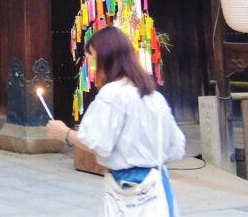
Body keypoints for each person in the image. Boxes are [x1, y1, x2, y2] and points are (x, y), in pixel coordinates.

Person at [47, 26, 186, 216]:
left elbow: (96, 142)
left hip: (126, 185)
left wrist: (65, 132)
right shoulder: (154, 97)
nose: (92, 67)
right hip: (157, 185)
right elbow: (176, 147)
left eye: (93, 60)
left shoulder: (112, 94)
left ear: (106, 59)